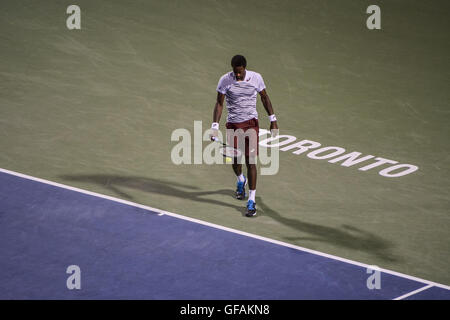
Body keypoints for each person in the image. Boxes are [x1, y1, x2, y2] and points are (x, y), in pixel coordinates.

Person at [210, 55, 278, 217]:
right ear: (232, 68)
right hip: (233, 125)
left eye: (240, 72)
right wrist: (214, 126)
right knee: (235, 160)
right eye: (235, 72)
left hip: (251, 124)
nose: (238, 75)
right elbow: (219, 103)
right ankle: (241, 180)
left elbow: (264, 97)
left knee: (251, 162)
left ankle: (251, 200)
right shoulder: (225, 80)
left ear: (244, 68)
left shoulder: (256, 78)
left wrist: (273, 120)